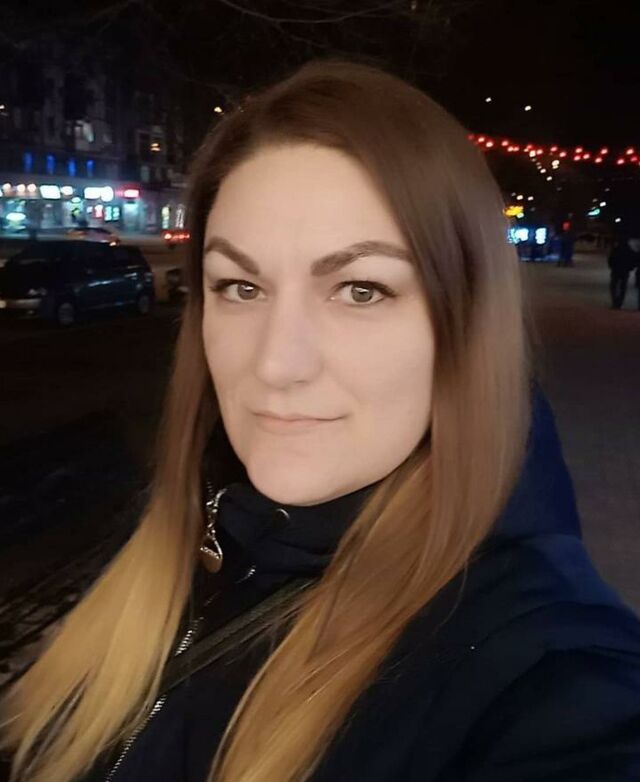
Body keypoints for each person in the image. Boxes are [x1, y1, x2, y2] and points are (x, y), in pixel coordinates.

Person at [2, 60, 640, 782]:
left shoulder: (548, 673)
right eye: (241, 287)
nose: (277, 363)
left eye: (360, 290)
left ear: (466, 325)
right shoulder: (190, 533)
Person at [608, 233, 640, 309]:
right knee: (622, 286)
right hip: (625, 270)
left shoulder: (616, 249)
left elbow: (611, 258)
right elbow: (634, 260)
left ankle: (616, 302)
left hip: (616, 269)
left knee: (614, 285)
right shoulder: (629, 250)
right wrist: (631, 267)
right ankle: (619, 301)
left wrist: (612, 266)